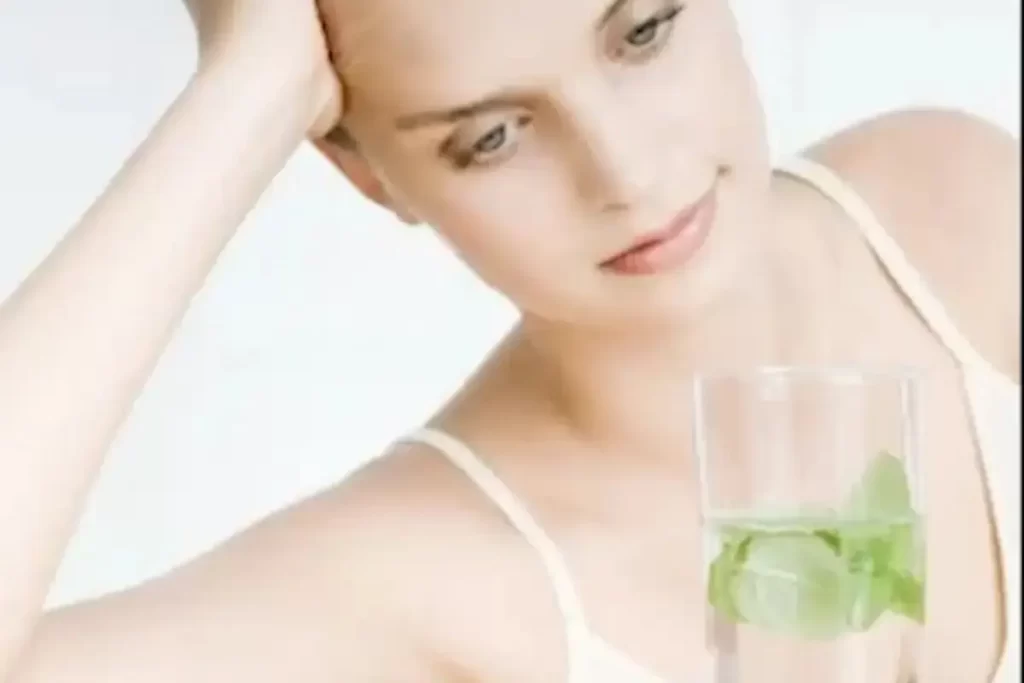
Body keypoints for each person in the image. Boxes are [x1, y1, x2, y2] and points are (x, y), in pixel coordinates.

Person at [0, 0, 1019, 681]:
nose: (623, 170)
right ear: (367, 175)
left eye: (643, 30)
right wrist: (242, 94)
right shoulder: (415, 579)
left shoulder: (948, 209)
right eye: (491, 136)